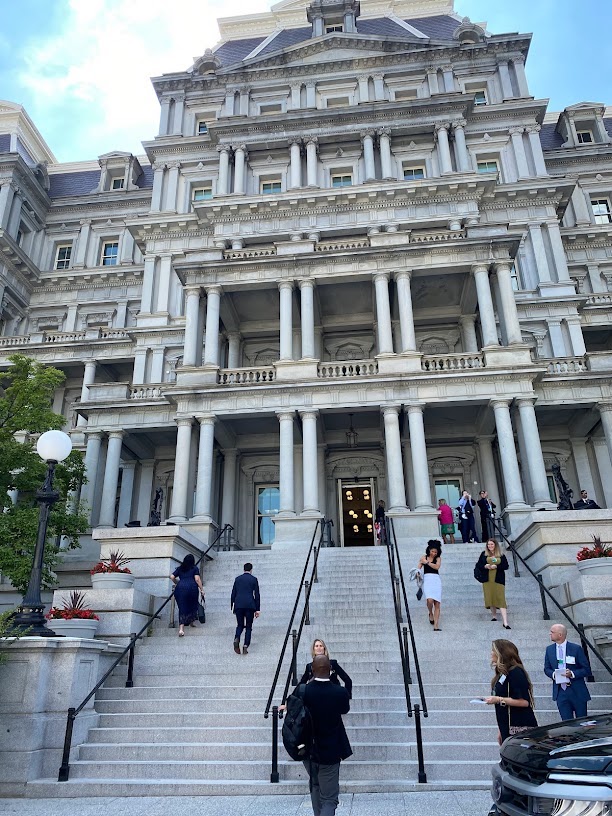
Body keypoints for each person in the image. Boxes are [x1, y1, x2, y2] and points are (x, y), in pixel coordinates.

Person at [300, 654, 352, 816]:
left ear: (312, 670)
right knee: (329, 798)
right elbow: (344, 709)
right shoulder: (340, 692)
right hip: (331, 750)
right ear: (330, 670)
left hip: (308, 749)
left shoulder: (303, 691)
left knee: (315, 786)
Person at [485, 639, 537, 745]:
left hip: (519, 727)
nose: (491, 653)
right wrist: (501, 730)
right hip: (506, 725)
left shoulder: (516, 672)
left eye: (493, 650)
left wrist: (498, 699)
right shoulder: (503, 673)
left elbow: (524, 702)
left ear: (501, 653)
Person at [544, 623, 592, 720]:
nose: (550, 634)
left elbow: (586, 669)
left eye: (552, 632)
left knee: (581, 721)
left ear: (560, 634)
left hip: (576, 690)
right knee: (566, 723)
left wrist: (572, 673)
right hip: (560, 691)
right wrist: (554, 674)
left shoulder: (576, 648)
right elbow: (547, 668)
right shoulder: (549, 650)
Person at [475, 539, 511, 629]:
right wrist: (485, 566)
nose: (490, 546)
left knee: (501, 599)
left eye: (492, 544)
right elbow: (479, 565)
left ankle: (505, 622)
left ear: (495, 545)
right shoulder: (484, 554)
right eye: (488, 544)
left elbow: (506, 566)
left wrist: (497, 566)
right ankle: (494, 616)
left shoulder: (501, 555)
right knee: (490, 597)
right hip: (487, 580)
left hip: (498, 580)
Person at [170, 553, 203, 637]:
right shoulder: (194, 568)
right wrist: (202, 589)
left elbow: (172, 576)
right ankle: (191, 622)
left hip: (180, 588)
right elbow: (197, 579)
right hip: (192, 588)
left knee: (182, 607)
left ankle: (181, 629)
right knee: (193, 604)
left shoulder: (180, 568)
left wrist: (177, 582)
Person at [230, 562, 260, 655]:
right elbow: (257, 594)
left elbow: (233, 593)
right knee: (248, 626)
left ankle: (237, 637)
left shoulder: (237, 579)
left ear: (244, 569)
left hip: (239, 604)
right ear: (251, 570)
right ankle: (245, 645)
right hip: (250, 605)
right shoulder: (254, 579)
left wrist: (232, 606)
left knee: (240, 625)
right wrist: (257, 609)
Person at [418, 540, 442, 631]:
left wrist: (427, 562)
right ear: (429, 550)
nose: (434, 553)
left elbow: (437, 567)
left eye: (435, 552)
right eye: (432, 551)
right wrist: (418, 573)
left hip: (436, 579)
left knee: (437, 602)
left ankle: (436, 625)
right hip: (427, 579)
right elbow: (418, 568)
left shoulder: (438, 558)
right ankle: (430, 613)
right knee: (430, 600)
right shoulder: (424, 557)